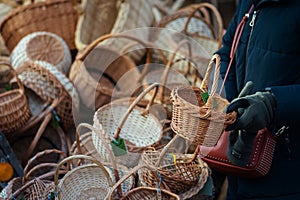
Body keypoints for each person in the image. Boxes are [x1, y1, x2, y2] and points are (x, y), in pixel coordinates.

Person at [215, 0, 300, 199]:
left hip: (287, 173)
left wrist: (272, 104)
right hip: (240, 166)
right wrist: (228, 101)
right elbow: (227, 52)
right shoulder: (249, 2)